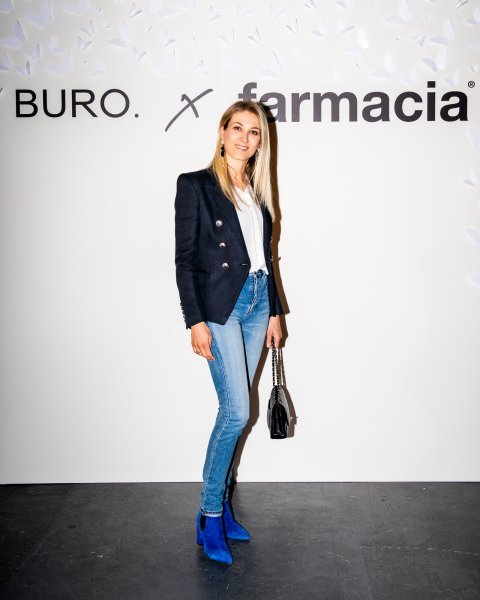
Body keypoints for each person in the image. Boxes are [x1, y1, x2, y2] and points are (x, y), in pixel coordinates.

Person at [174, 99, 284, 564]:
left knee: (235, 410)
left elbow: (266, 258)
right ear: (222, 132)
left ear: (261, 142)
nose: (244, 138)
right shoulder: (195, 185)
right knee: (237, 411)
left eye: (253, 132)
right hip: (220, 308)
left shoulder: (257, 192)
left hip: (257, 303)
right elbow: (184, 260)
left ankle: (218, 509)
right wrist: (194, 320)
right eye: (237, 128)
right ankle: (211, 514)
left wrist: (274, 311)